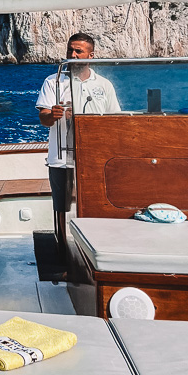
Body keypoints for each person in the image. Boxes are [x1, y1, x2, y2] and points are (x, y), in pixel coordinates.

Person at [36, 32, 120, 260]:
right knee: (61, 206)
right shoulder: (53, 82)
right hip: (61, 158)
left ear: (90, 56)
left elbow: (114, 121)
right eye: (70, 50)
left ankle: (91, 252)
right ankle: (62, 250)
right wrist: (52, 114)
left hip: (93, 158)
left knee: (91, 205)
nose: (72, 55)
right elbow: (43, 118)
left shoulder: (104, 85)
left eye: (78, 51)